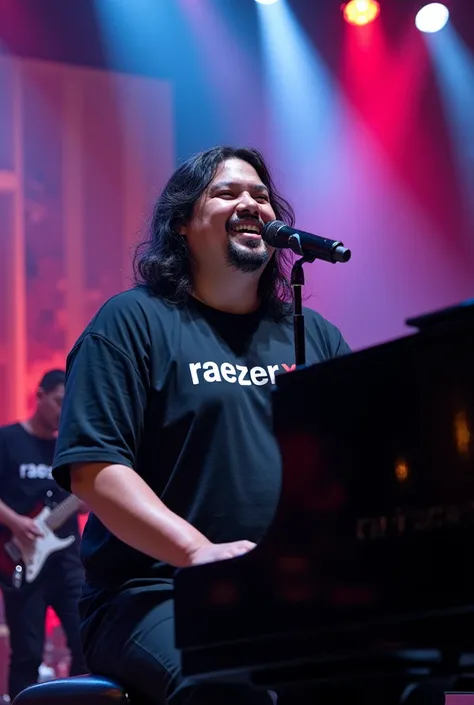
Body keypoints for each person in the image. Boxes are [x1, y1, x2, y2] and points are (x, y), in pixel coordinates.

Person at [51, 146, 351, 705]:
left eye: (261, 196)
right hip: (154, 590)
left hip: (290, 591)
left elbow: (359, 465)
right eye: (227, 193)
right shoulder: (131, 321)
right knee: (228, 685)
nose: (250, 203)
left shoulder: (316, 337)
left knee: (394, 674)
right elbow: (95, 471)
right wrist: (196, 552)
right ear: (184, 223)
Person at [0, 369, 86, 700]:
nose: (62, 412)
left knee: (86, 642)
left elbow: (83, 504)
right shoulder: (8, 440)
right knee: (27, 653)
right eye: (58, 402)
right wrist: (16, 522)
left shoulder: (70, 449)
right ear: (39, 396)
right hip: (19, 560)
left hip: (67, 562)